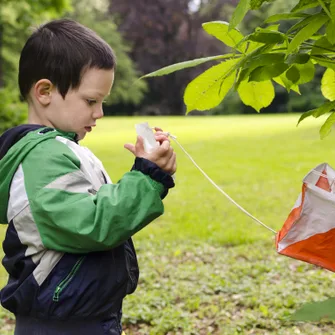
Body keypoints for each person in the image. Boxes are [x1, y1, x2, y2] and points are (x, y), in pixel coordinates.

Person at [0, 19, 176, 335]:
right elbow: (92, 225)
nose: (99, 113)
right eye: (91, 101)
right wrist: (147, 176)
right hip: (61, 323)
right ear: (45, 92)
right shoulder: (43, 156)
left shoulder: (60, 148)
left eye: (102, 102)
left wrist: (148, 168)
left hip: (81, 313)